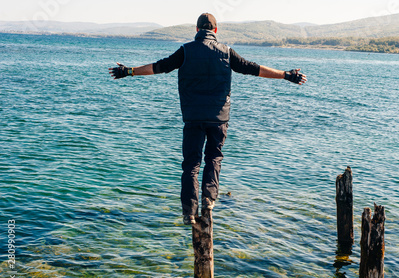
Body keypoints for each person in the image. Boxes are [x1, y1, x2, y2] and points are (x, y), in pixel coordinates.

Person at [109, 13, 307, 225]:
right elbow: (254, 69)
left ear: (196, 31)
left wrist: (128, 71)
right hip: (219, 118)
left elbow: (158, 67)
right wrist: (286, 75)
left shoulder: (185, 50)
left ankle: (189, 212)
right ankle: (208, 200)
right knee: (214, 158)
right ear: (215, 31)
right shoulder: (227, 52)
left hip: (193, 118)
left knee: (191, 165)